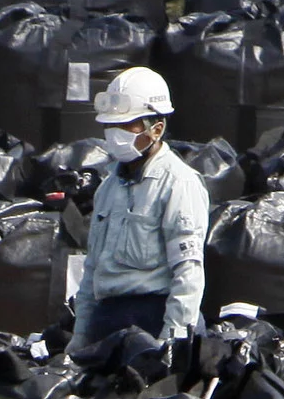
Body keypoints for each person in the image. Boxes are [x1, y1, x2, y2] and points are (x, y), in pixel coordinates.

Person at [71, 65, 208, 357]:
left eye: (125, 126)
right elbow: (92, 271)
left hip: (153, 322)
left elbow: (188, 274)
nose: (114, 134)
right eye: (110, 126)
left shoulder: (178, 184)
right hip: (107, 324)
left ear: (156, 128)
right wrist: (80, 336)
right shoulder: (108, 188)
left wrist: (172, 342)